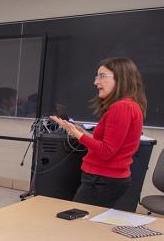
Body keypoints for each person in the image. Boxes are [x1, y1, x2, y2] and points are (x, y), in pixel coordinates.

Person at [51, 57, 146, 208]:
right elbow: (106, 144)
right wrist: (80, 131)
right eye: (97, 76)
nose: (96, 82)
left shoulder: (122, 107)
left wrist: (78, 135)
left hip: (102, 179)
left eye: (102, 76)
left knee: (78, 222)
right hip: (105, 179)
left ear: (121, 77)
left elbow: (106, 151)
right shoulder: (128, 105)